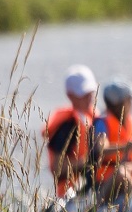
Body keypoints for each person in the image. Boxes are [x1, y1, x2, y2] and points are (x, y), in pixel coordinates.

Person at [43, 65, 102, 194]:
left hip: (95, 188)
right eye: (83, 94)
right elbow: (57, 169)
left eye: (90, 92)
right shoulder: (68, 125)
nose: (88, 97)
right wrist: (89, 161)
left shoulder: (95, 117)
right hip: (72, 194)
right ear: (70, 95)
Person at [93, 79, 132, 193]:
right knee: (121, 173)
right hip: (106, 182)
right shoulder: (102, 123)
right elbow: (101, 149)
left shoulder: (129, 122)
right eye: (129, 100)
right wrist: (124, 147)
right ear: (120, 103)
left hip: (128, 168)